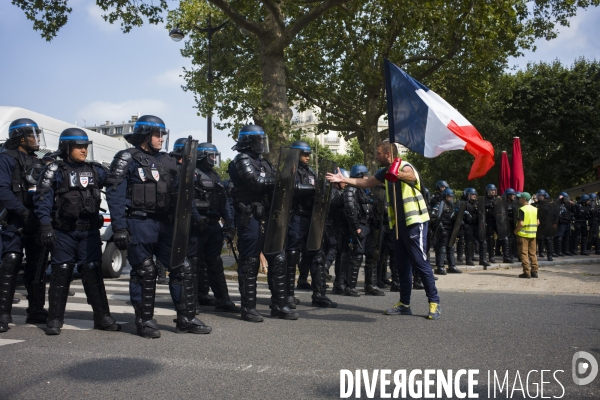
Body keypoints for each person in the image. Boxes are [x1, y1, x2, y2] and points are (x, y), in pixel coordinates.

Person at [105, 115, 211, 338]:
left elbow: (184, 191)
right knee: (146, 271)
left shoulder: (168, 161)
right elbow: (115, 193)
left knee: (182, 267)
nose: (162, 139)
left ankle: (186, 319)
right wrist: (119, 227)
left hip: (164, 224)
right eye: (157, 135)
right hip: (139, 222)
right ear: (145, 136)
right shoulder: (126, 158)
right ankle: (144, 321)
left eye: (163, 135)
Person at [327, 141, 441, 320]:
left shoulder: (405, 165)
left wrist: (399, 173)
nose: (375, 156)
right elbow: (365, 183)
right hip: (398, 225)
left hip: (415, 222)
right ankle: (404, 304)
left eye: (378, 153)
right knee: (401, 265)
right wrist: (343, 179)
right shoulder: (384, 171)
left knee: (420, 261)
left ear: (388, 154)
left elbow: (412, 177)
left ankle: (434, 303)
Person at [34, 128, 120, 335]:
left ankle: (102, 317)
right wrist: (45, 226)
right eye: (79, 147)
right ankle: (55, 319)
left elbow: (116, 186)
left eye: (85, 146)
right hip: (64, 231)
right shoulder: (53, 170)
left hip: (89, 232)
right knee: (61, 271)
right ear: (66, 147)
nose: (84, 150)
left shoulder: (96, 170)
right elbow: (42, 199)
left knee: (92, 271)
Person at [228, 125, 298, 322]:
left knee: (278, 259)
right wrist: (279, 179)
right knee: (250, 262)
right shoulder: (241, 159)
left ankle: (279, 305)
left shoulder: (264, 162)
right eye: (258, 140)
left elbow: (277, 181)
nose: (261, 143)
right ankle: (249, 308)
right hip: (250, 216)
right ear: (249, 141)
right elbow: (256, 183)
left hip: (268, 215)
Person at [0, 118, 48, 333]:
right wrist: (22, 212)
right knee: (10, 263)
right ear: (20, 138)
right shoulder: (6, 159)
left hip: (36, 219)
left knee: (37, 266)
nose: (37, 139)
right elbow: (2, 190)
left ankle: (36, 311)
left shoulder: (38, 161)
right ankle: (2, 314)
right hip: (16, 219)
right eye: (33, 135)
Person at [190, 142, 239, 313]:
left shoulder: (215, 176)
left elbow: (224, 202)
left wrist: (229, 223)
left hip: (213, 224)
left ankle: (223, 299)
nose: (213, 159)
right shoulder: (192, 174)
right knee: (194, 263)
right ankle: (192, 301)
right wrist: (197, 219)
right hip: (197, 226)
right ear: (202, 155)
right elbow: (187, 200)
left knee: (215, 263)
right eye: (211, 156)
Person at [431, 188, 462, 275]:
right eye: (449, 196)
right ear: (444, 196)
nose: (450, 198)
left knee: (451, 248)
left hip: (450, 230)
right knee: (442, 248)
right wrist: (441, 228)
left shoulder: (452, 205)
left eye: (451, 196)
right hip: (442, 230)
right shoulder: (439, 205)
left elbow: (454, 217)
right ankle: (440, 267)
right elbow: (434, 217)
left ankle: (452, 266)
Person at [514, 192, 540, 278]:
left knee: (524, 254)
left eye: (520, 198)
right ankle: (534, 271)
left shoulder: (522, 209)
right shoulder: (535, 209)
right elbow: (538, 222)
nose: (519, 199)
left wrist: (516, 231)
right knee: (533, 254)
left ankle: (526, 272)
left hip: (523, 235)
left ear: (524, 199)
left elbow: (521, 223)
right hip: (533, 235)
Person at [555, 192, 573, 256]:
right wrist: (558, 199)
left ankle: (566, 250)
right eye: (565, 199)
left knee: (567, 237)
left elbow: (572, 211)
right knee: (559, 237)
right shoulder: (558, 204)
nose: (566, 200)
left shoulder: (567, 205)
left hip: (567, 222)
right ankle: (558, 251)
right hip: (561, 222)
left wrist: (572, 205)